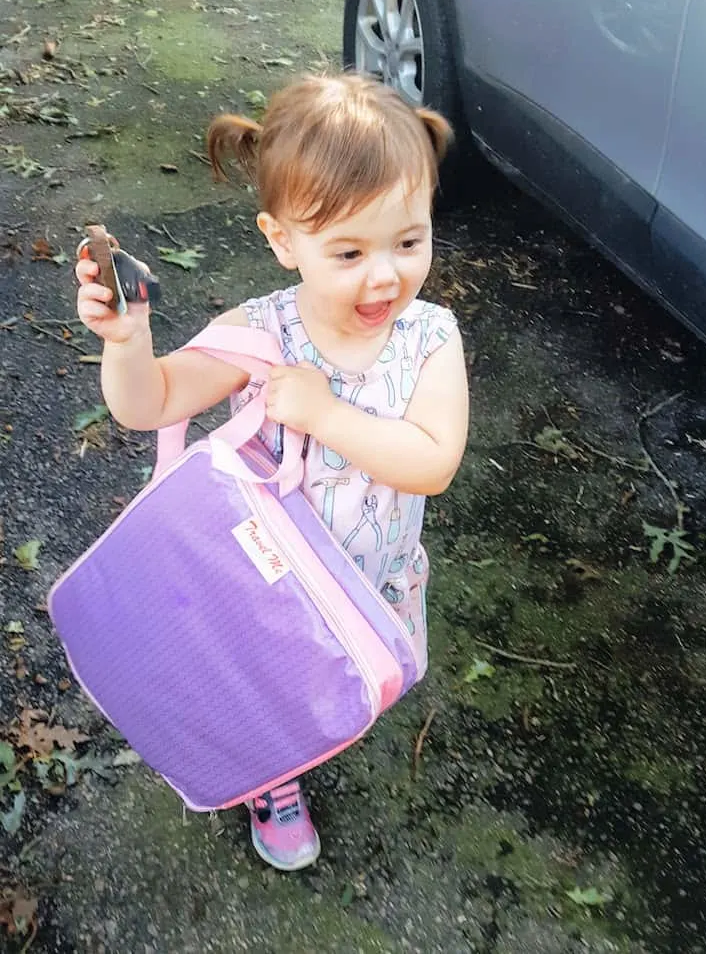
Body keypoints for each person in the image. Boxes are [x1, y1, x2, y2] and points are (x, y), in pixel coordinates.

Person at [75, 73, 469, 873]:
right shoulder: (260, 332)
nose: (384, 277)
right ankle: (271, 780)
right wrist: (127, 342)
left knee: (338, 682)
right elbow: (149, 403)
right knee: (267, 687)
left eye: (409, 241)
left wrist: (326, 415)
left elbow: (432, 464)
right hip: (263, 584)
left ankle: (301, 739)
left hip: (372, 575)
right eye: (349, 252)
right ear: (282, 239)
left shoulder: (429, 338)